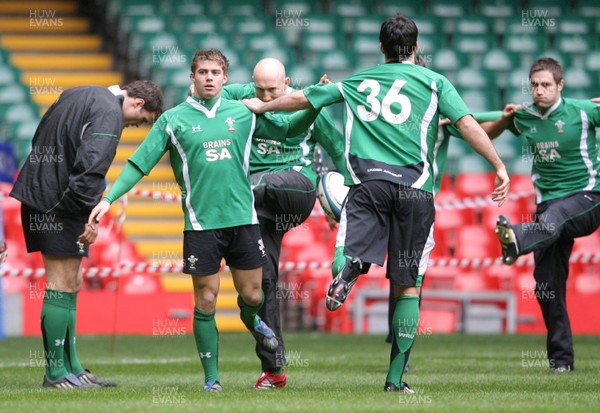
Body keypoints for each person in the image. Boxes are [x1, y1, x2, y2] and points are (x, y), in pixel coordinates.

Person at [243, 14, 510, 392]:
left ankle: (349, 267)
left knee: (348, 246)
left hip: (368, 186)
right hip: (416, 191)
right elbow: (466, 124)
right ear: (416, 49)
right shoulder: (436, 82)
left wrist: (262, 107)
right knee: (409, 287)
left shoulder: (358, 81)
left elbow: (302, 98)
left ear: (381, 49)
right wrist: (498, 165)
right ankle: (395, 381)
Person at [88, 49, 320, 392]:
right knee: (207, 301)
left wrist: (315, 102)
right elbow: (140, 162)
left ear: (226, 79)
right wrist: (108, 199)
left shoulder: (244, 112)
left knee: (254, 295)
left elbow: (288, 130)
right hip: (201, 225)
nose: (209, 77)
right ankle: (212, 379)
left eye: (215, 72)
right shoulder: (173, 120)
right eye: (203, 72)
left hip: (244, 220)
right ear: (192, 78)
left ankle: (251, 318)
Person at [9, 80, 164, 388]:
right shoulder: (109, 113)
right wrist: (89, 217)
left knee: (72, 282)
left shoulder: (80, 93)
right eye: (141, 120)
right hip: (59, 202)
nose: (134, 125)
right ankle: (55, 373)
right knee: (60, 283)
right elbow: (91, 165)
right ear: (136, 104)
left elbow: (41, 133)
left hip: (46, 194)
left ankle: (73, 367)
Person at [217, 58, 345, 389]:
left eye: (273, 89)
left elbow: (340, 152)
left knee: (255, 185)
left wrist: (348, 200)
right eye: (259, 89)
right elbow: (201, 95)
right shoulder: (239, 95)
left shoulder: (307, 101)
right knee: (260, 287)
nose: (265, 95)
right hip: (257, 208)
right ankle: (274, 370)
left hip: (295, 188)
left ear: (287, 82)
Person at [481, 57, 600, 373]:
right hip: (548, 207)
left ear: (560, 85)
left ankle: (516, 241)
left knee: (553, 219)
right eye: (534, 85)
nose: (539, 90)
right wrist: (505, 120)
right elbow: (487, 134)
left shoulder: (583, 112)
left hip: (588, 197)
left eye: (546, 84)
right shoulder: (525, 116)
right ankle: (562, 361)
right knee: (546, 285)